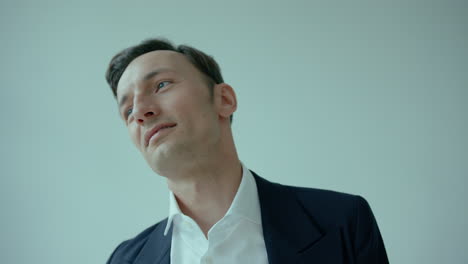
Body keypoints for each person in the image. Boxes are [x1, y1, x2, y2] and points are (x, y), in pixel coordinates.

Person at [104, 38, 389, 264]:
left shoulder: (343, 223)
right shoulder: (123, 260)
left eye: (161, 84)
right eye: (127, 110)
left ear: (224, 100)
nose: (141, 112)